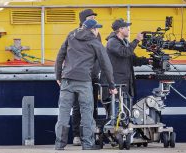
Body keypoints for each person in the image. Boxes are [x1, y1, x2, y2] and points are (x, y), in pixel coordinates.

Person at [54, 19, 117, 150]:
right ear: (92, 29)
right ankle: (87, 145)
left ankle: (59, 144)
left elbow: (60, 56)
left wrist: (58, 76)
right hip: (84, 81)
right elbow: (106, 65)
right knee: (87, 113)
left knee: (63, 113)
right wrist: (111, 85)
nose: (98, 31)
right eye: (97, 28)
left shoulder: (71, 36)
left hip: (67, 80)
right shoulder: (95, 42)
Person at [105, 18, 149, 122]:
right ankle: (117, 135)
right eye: (126, 28)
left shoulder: (124, 42)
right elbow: (124, 52)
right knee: (117, 117)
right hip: (117, 85)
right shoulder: (112, 42)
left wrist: (148, 61)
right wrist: (137, 40)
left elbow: (133, 59)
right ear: (120, 29)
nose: (129, 30)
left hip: (126, 85)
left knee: (126, 115)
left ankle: (125, 135)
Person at [72, 9, 100, 146]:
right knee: (77, 106)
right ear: (83, 20)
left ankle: (92, 133)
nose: (94, 19)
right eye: (91, 17)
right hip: (79, 76)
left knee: (93, 105)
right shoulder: (74, 34)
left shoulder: (96, 33)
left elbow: (99, 53)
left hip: (93, 75)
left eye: (95, 17)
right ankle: (76, 135)